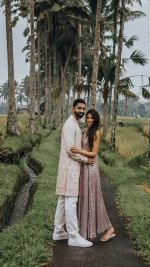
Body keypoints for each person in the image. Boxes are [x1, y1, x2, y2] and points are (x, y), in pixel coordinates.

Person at [53, 98, 94, 248]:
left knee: (63, 200)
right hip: (70, 167)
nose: (82, 111)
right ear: (73, 109)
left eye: (83, 108)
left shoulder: (74, 123)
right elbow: (71, 150)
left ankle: (58, 231)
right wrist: (86, 159)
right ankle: (73, 236)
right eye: (79, 108)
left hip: (68, 167)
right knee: (71, 201)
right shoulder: (70, 125)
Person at [71, 109, 116, 242]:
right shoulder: (85, 131)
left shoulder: (95, 133)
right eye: (88, 117)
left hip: (90, 168)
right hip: (84, 167)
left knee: (93, 198)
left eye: (92, 118)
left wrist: (79, 150)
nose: (89, 120)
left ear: (96, 120)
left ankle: (109, 228)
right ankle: (84, 230)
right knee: (85, 197)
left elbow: (94, 153)